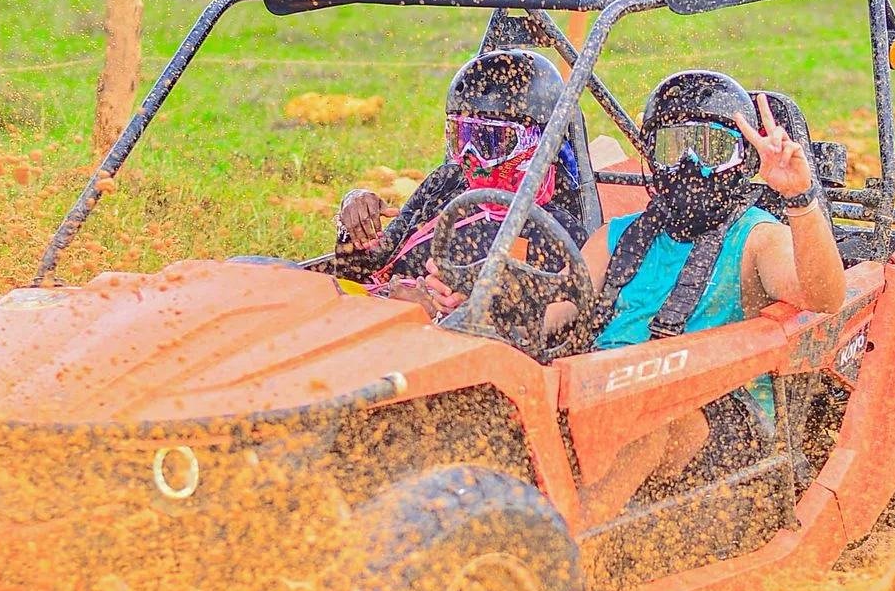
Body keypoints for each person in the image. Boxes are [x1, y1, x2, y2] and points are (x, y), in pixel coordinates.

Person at [562, 70, 845, 529]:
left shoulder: (756, 237)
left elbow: (826, 296)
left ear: (743, 158)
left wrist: (799, 196)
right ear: (651, 157)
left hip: (717, 414)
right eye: (673, 149)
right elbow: (556, 307)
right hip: (603, 397)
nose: (690, 166)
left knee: (647, 423)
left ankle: (564, 550)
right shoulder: (615, 237)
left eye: (712, 148)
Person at [318, 49, 589, 315]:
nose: (470, 155)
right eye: (462, 137)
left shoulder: (556, 232)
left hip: (434, 347)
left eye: (488, 141)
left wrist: (436, 314)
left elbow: (548, 329)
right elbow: (362, 272)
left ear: (536, 143)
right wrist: (352, 226)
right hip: (357, 318)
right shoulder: (447, 182)